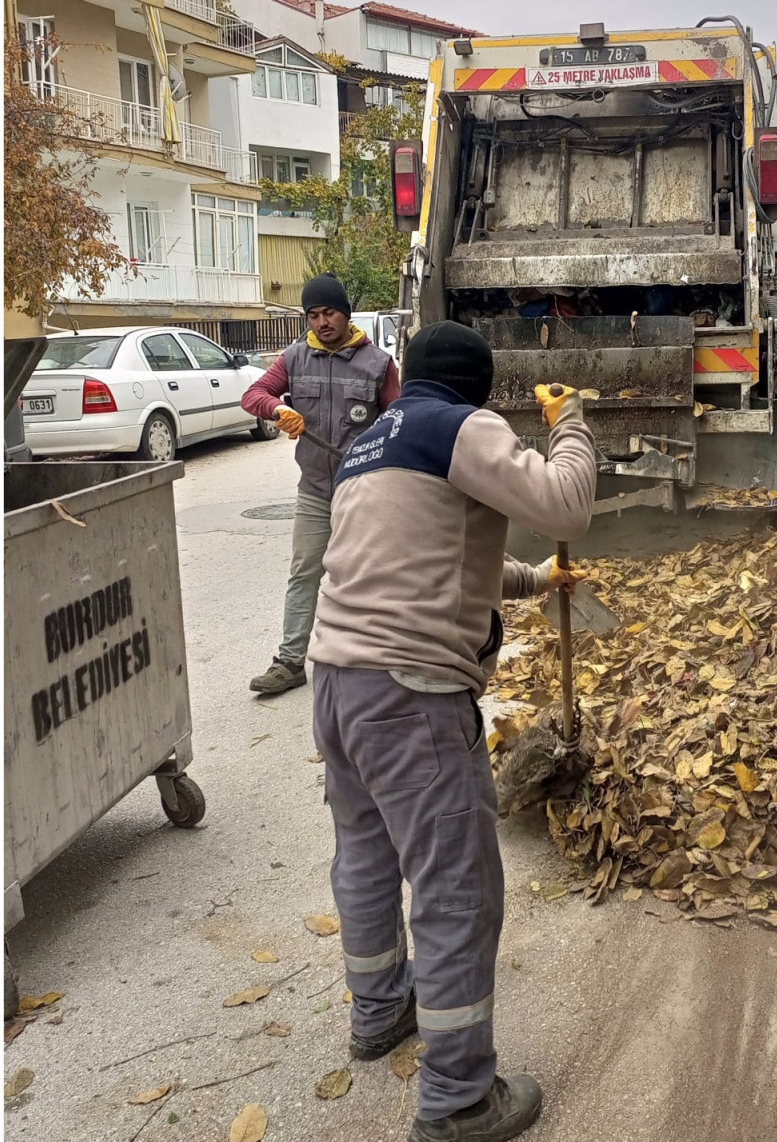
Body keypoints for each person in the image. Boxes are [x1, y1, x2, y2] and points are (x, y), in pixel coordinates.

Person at [309, 321, 596, 1142]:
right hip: (409, 698)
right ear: (480, 388)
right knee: (456, 890)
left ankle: (378, 1013)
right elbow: (566, 500)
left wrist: (536, 579)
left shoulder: (372, 442)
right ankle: (459, 1099)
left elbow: (430, 558)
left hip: (337, 685)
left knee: (366, 859)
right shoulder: (463, 426)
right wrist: (569, 421)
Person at [241, 273, 400, 695]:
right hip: (313, 488)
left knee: (367, 574)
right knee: (304, 571)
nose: (322, 322)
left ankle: (374, 659)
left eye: (329, 312)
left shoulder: (378, 364)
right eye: (313, 315)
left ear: (345, 313)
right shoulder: (294, 358)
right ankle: (290, 662)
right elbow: (253, 394)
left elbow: (400, 418)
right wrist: (277, 409)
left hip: (362, 489)